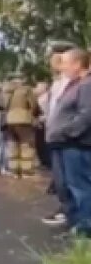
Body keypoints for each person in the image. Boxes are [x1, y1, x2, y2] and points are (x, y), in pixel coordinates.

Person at [51, 48, 91, 237]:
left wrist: (67, 132)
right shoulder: (75, 84)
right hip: (65, 144)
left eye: (65, 62)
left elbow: (86, 116)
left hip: (76, 145)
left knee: (79, 187)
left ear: (77, 64)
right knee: (67, 186)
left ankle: (85, 229)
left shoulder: (86, 85)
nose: (62, 67)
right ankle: (76, 225)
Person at [43, 42, 76, 226]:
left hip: (66, 137)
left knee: (67, 179)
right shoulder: (57, 83)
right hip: (55, 135)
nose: (51, 61)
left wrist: (68, 131)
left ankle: (71, 212)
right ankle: (66, 208)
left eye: (56, 57)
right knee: (60, 178)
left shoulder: (73, 82)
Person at [4, 76, 39, 177]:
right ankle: (26, 172)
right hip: (23, 120)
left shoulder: (8, 91)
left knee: (13, 146)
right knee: (26, 145)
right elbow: (33, 105)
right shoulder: (26, 90)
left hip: (9, 121)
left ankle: (13, 171)